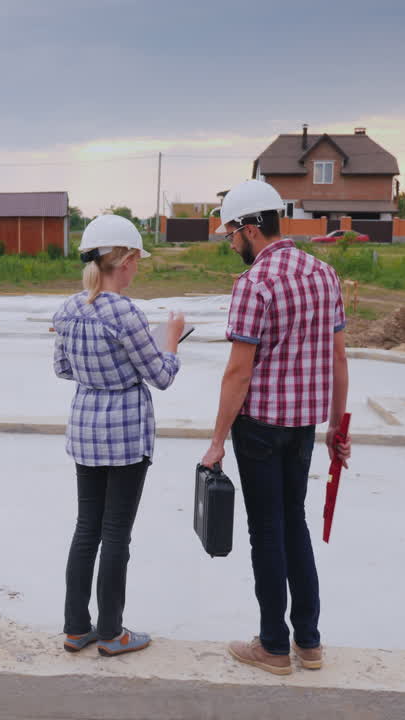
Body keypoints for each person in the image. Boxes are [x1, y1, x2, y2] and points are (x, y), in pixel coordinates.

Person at [200, 179, 351, 675]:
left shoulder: (255, 284)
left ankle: (271, 645)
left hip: (260, 428)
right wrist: (336, 427)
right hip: (304, 426)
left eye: (230, 234)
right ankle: (309, 642)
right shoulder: (323, 273)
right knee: (295, 524)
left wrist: (217, 441)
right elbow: (337, 358)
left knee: (266, 531)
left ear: (249, 228)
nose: (230, 243)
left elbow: (239, 371)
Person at [53, 214, 185, 657]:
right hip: (126, 435)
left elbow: (62, 368)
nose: (137, 268)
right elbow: (161, 375)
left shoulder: (68, 308)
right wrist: (171, 341)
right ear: (125, 260)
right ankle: (111, 632)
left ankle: (76, 628)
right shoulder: (126, 312)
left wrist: (100, 374)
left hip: (86, 429)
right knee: (116, 535)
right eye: (136, 261)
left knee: (85, 528)